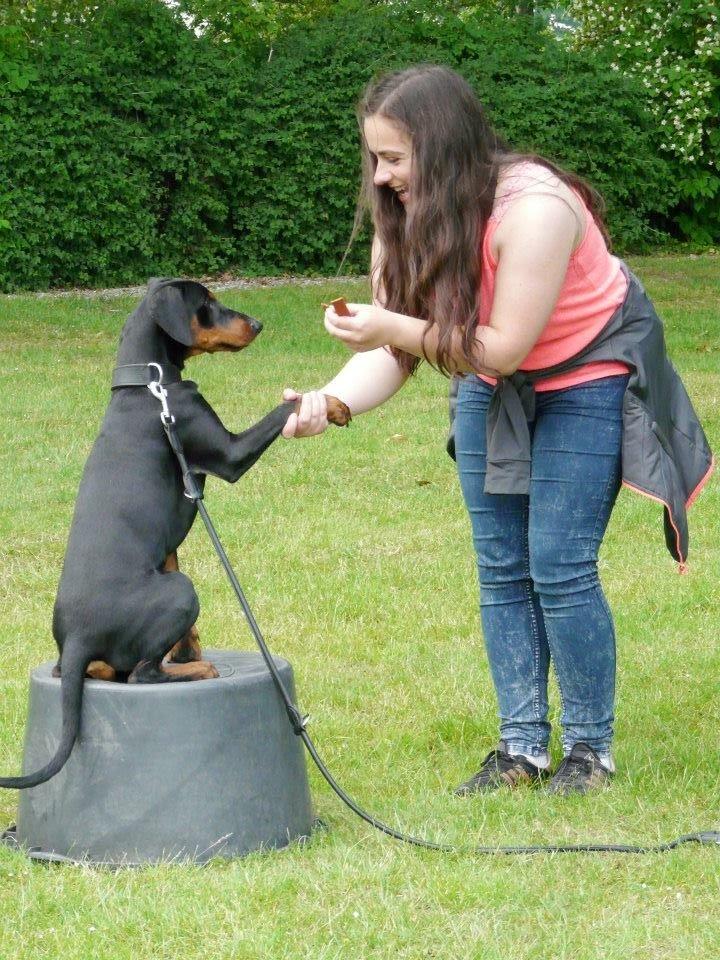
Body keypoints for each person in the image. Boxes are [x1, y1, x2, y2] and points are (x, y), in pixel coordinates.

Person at [280, 65, 713, 795]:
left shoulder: (536, 210)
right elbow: (399, 349)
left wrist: (393, 324)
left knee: (559, 565)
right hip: (487, 379)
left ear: (442, 148)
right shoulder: (406, 220)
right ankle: (521, 751)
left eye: (394, 159)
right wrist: (332, 401)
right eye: (374, 159)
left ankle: (588, 752)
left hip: (586, 371)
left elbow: (504, 343)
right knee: (502, 567)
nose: (382, 179)